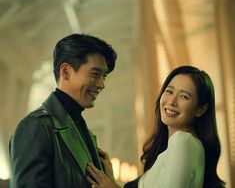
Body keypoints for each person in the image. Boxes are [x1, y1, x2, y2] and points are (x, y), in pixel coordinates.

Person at [86, 66, 226, 188]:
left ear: (200, 109)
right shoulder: (180, 146)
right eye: (169, 91)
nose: (171, 101)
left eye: (184, 96)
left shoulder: (183, 142)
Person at [9, 33, 117, 188]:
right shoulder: (35, 128)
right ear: (66, 72)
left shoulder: (82, 130)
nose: (101, 84)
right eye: (95, 74)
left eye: (104, 76)